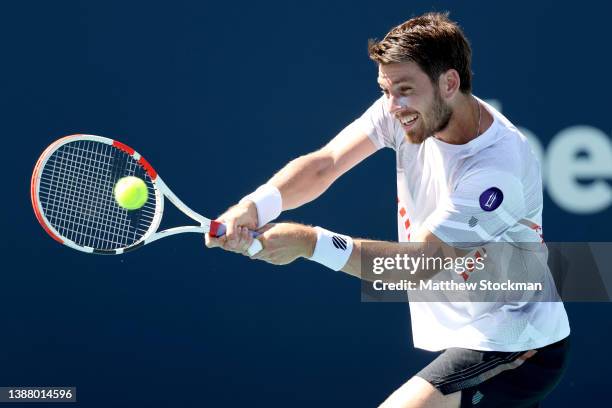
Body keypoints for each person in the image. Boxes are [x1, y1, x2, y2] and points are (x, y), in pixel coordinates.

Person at [205, 12, 570, 408]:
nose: (393, 106)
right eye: (385, 89)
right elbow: (325, 164)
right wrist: (254, 206)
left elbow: (419, 264)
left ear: (449, 82)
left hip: (519, 342)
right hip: (473, 329)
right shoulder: (405, 109)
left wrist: (310, 243)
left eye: (404, 89)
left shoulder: (496, 171)